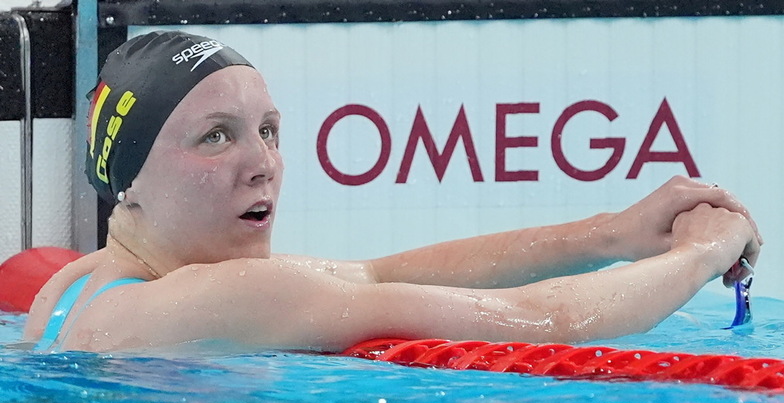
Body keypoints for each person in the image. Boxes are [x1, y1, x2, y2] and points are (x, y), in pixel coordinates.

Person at [23, 31, 762, 353]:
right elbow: (544, 322)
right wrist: (702, 254)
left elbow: (375, 273)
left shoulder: (75, 287)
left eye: (270, 130)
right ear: (130, 182)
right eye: (216, 135)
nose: (264, 163)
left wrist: (614, 233)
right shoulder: (210, 299)